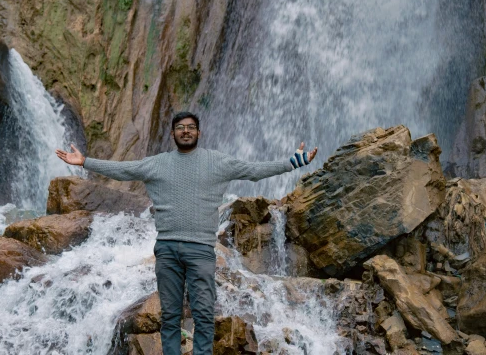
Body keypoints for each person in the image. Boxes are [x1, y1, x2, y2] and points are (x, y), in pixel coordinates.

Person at [55, 111, 317, 354]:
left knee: (203, 314)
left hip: (201, 250)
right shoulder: (157, 164)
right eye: (180, 127)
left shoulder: (218, 162)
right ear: (173, 134)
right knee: (170, 316)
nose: (186, 131)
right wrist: (85, 162)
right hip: (167, 250)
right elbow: (124, 170)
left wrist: (292, 163)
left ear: (199, 133)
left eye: (191, 127)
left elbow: (254, 171)